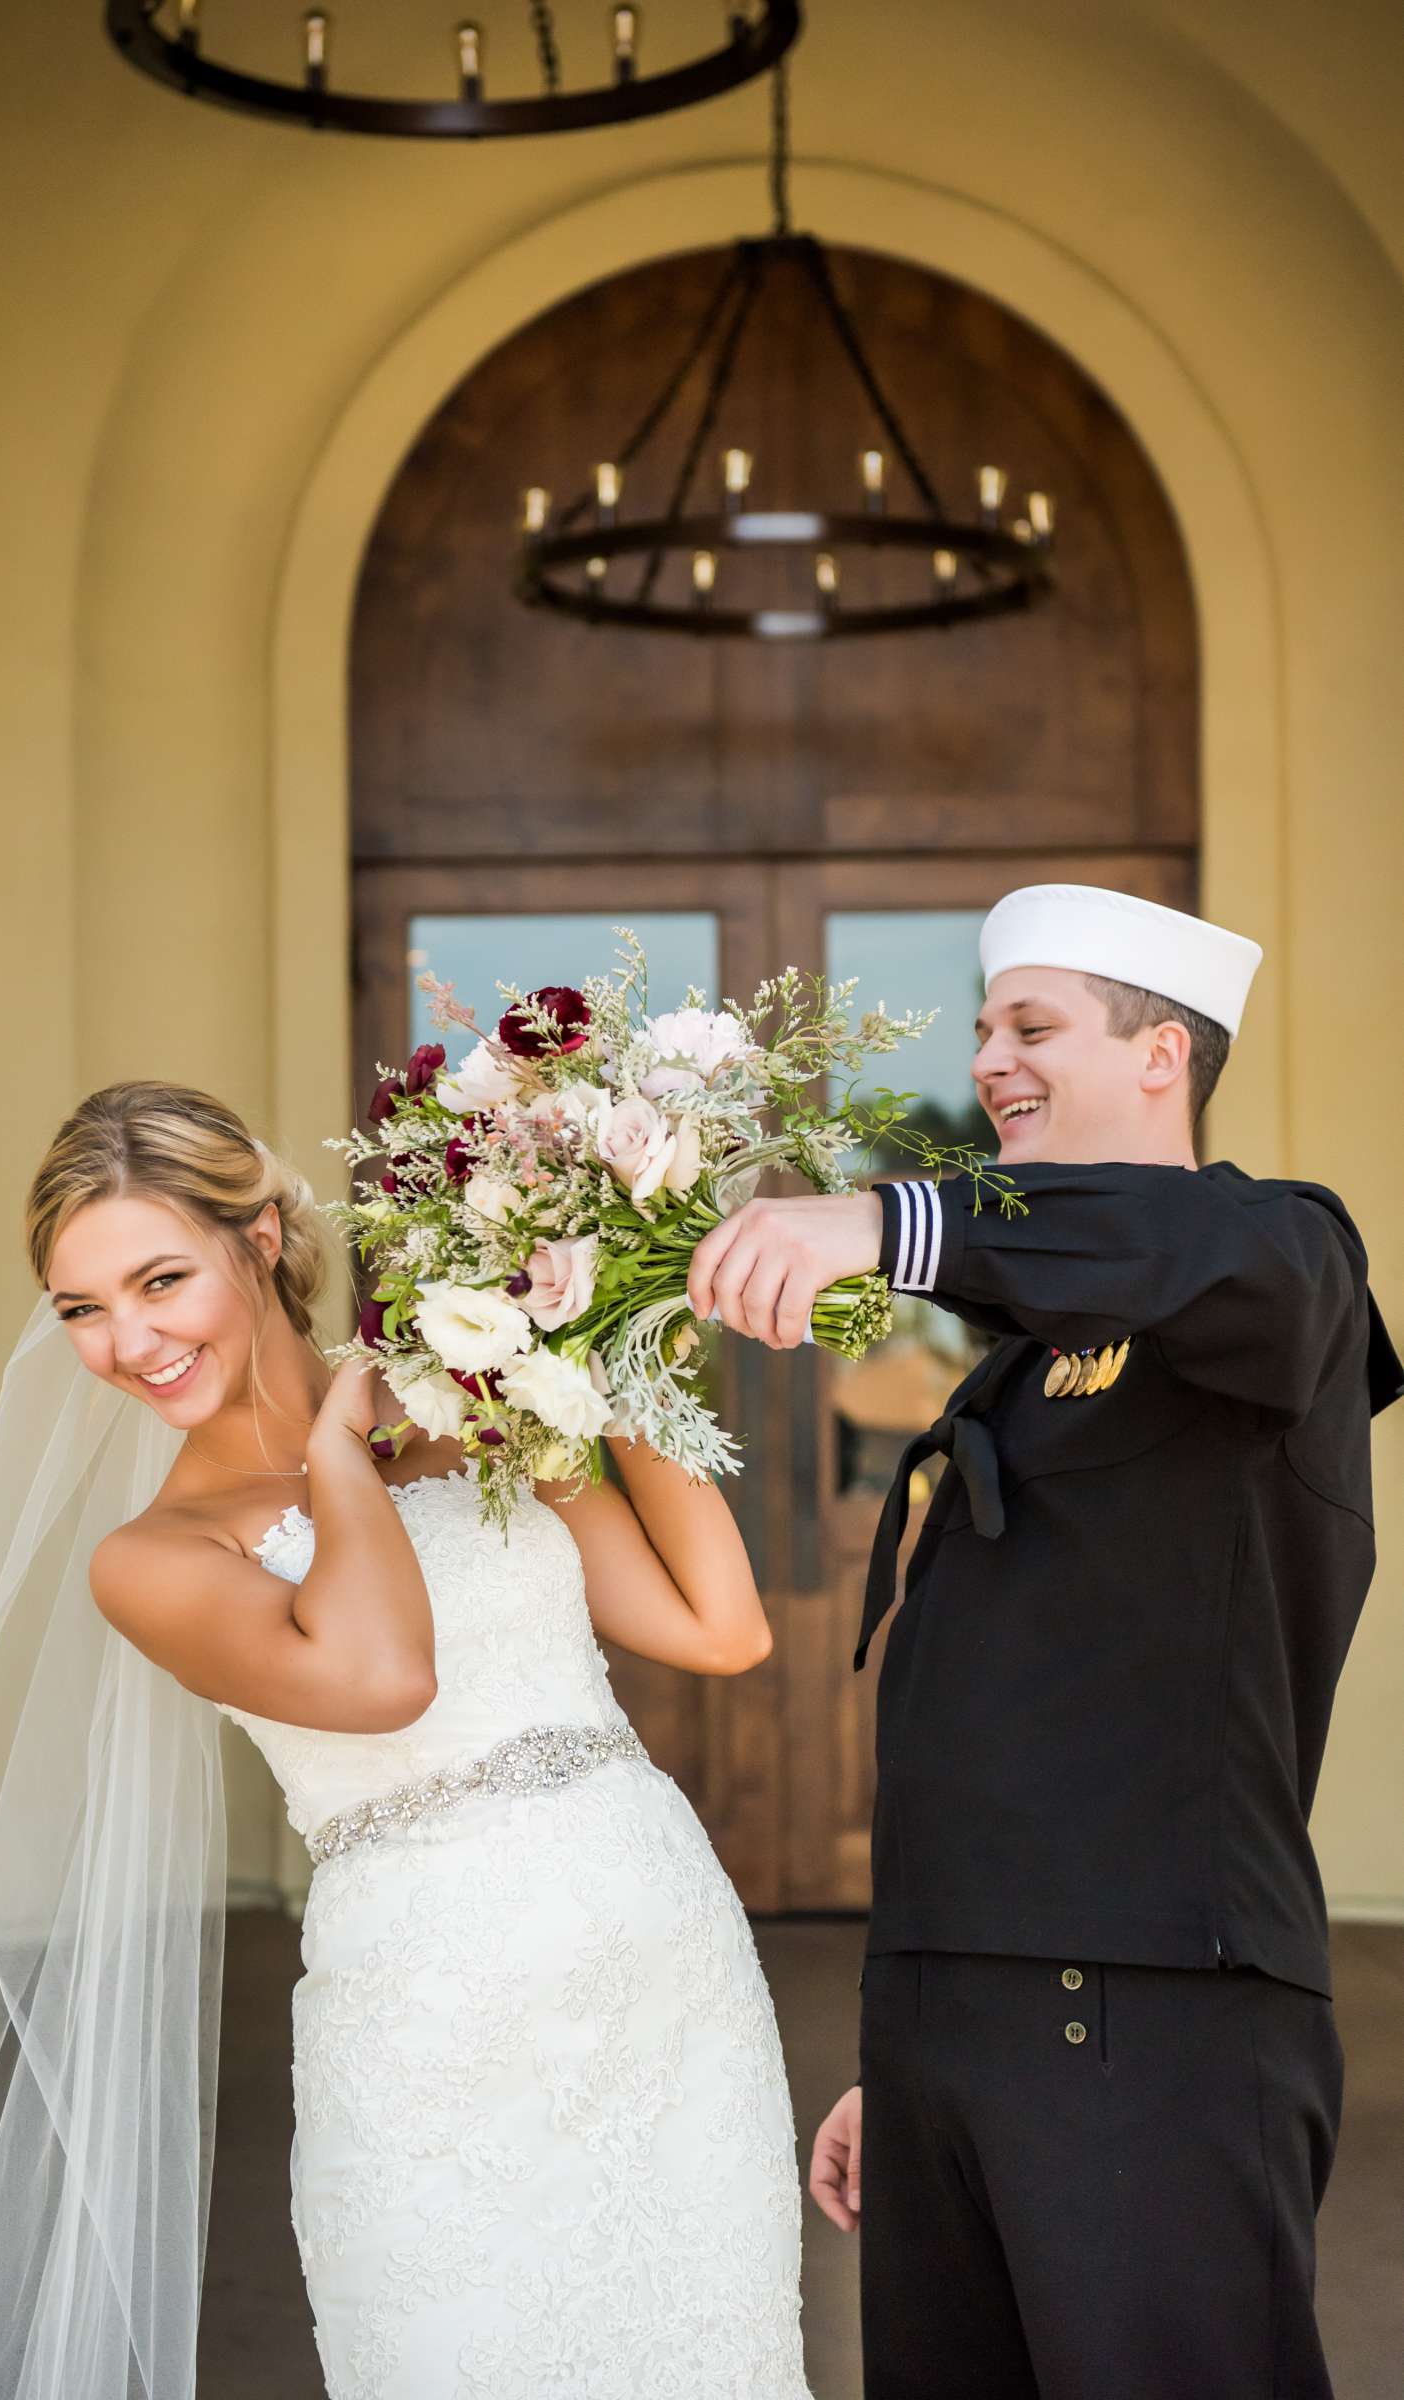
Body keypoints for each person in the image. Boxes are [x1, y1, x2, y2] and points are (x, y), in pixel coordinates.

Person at [0, 1080, 812, 2400]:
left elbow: (718, 1628)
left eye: (157, 1281)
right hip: (428, 2014)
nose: (127, 1340)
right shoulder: (151, 1558)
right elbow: (381, 1679)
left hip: (655, 1960)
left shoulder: (480, 1409)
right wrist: (342, 1457)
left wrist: (611, 1327)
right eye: (82, 1308)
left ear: (258, 1237)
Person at [688, 884, 1402, 2400]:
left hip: (1158, 2004)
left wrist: (881, 1216)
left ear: (1163, 1056)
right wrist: (915, 2042)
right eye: (981, 1032)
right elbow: (1009, 1708)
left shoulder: (1280, 1260)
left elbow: (1165, 1246)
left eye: (1033, 1026)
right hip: (967, 2011)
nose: (992, 1063)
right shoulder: (1018, 1364)